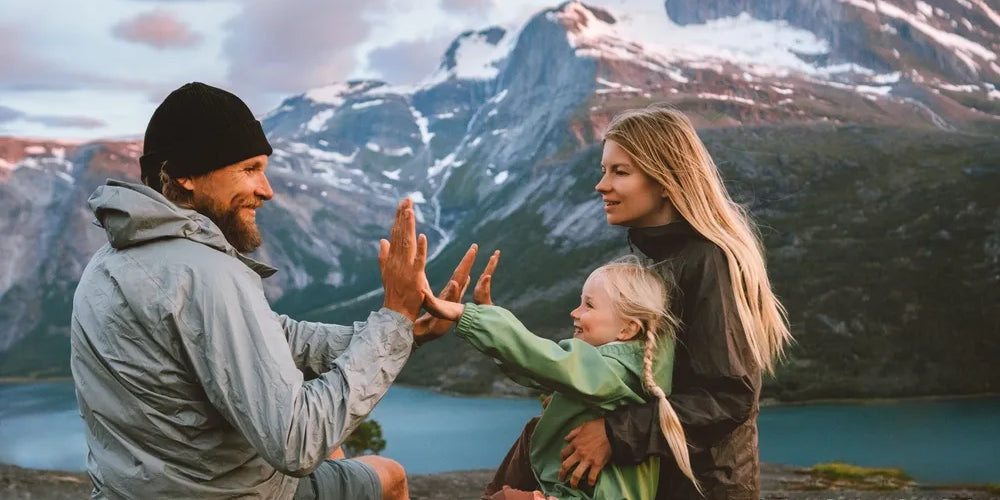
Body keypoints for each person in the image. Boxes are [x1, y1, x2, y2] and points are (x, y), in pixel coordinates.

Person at [70, 82, 477, 499]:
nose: (267, 190)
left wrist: (408, 332)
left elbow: (273, 335)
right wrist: (394, 317)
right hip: (231, 493)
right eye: (249, 169)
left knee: (335, 447)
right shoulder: (204, 273)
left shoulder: (107, 264)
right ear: (185, 175)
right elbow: (296, 443)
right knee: (388, 476)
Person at [487, 104, 792, 500]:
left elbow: (728, 396)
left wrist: (616, 433)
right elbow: (652, 371)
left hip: (701, 485)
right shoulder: (667, 255)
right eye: (603, 171)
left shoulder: (707, 260)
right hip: (663, 475)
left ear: (665, 180)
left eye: (620, 172)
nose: (601, 185)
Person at [422, 256, 699, 500]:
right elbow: (537, 369)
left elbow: (546, 361)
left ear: (627, 329)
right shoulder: (626, 365)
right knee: (533, 431)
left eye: (588, 305)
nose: (574, 313)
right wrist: (493, 318)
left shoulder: (613, 368)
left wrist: (467, 315)